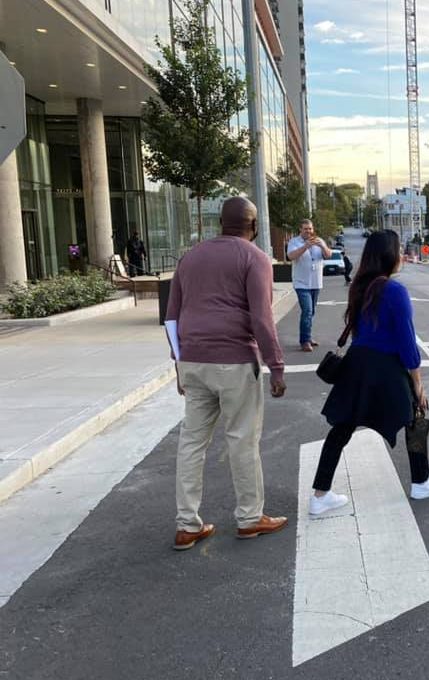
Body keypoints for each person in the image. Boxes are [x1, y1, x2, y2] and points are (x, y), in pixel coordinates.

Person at [165, 196, 288, 551]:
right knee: (242, 439)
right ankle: (250, 518)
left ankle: (187, 524)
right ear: (253, 226)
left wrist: (178, 362)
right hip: (233, 360)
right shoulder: (255, 258)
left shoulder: (189, 258)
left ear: (221, 223)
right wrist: (275, 366)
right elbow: (261, 319)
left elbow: (171, 317)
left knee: (191, 442)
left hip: (193, 360)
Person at [309, 230, 429, 515]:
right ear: (389, 255)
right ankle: (420, 482)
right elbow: (407, 342)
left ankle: (320, 494)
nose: (401, 256)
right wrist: (418, 384)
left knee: (342, 427)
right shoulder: (394, 290)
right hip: (385, 366)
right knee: (414, 417)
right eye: (398, 250)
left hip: (358, 364)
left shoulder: (361, 286)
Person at [287, 219, 333, 352]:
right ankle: (304, 341)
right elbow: (291, 256)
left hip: (316, 282)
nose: (308, 231)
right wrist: (305, 246)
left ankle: (308, 336)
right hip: (301, 282)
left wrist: (323, 246)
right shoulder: (294, 242)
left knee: (311, 311)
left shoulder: (319, 240)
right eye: (306, 229)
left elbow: (328, 255)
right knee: (307, 310)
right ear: (300, 230)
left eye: (310, 229)